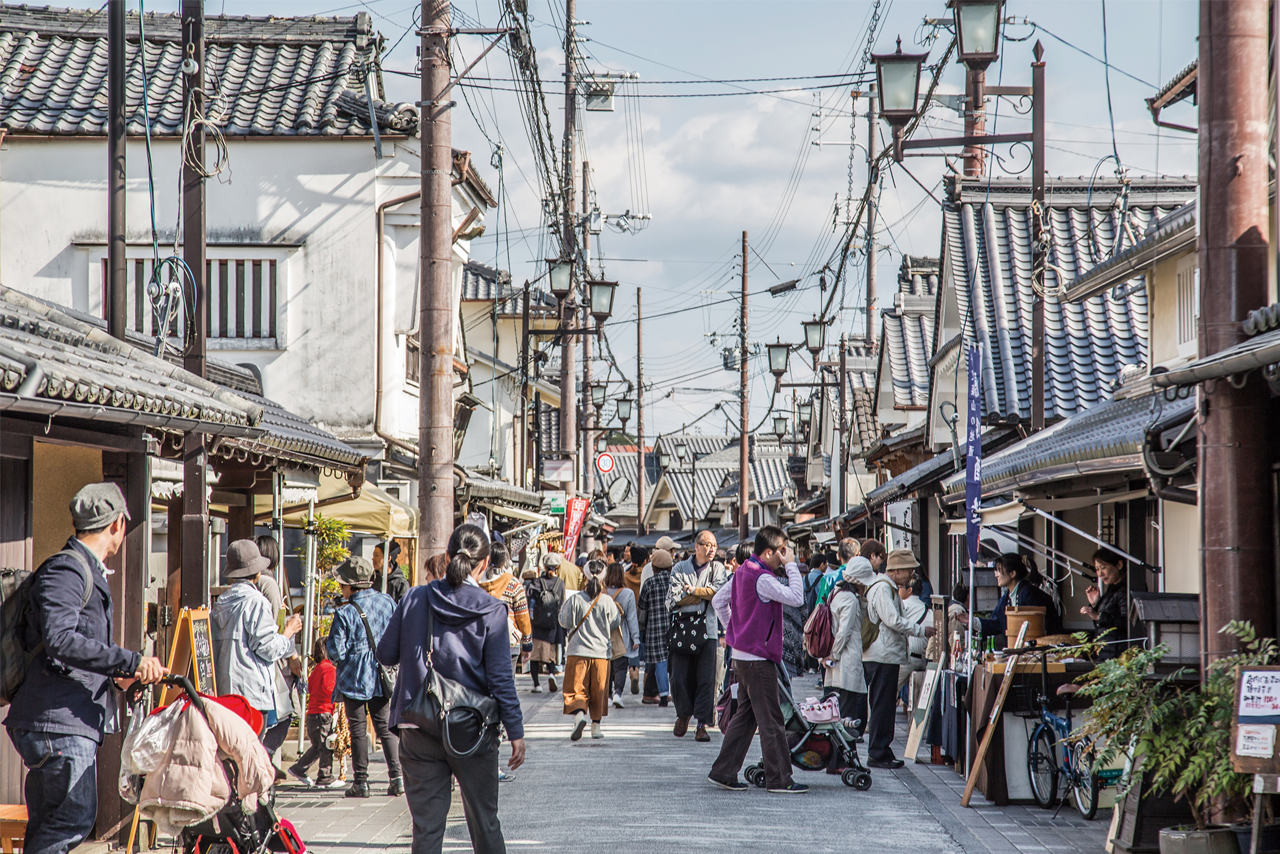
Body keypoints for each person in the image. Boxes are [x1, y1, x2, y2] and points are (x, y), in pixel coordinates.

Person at [6, 482, 168, 854]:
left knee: (53, 825)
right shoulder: (68, 569)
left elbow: (76, 645)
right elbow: (61, 639)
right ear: (118, 525)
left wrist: (120, 676)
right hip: (57, 721)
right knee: (70, 820)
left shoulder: (82, 570)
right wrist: (130, 660)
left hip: (63, 719)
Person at [376, 523, 524, 854]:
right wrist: (515, 731)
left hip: (417, 721)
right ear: (485, 564)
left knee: (426, 831)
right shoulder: (493, 610)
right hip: (473, 728)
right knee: (485, 824)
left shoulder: (415, 597)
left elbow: (385, 654)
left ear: (446, 556)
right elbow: (501, 678)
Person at [708, 525, 807, 793]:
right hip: (758, 658)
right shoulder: (762, 578)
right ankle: (779, 779)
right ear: (768, 552)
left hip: (742, 656)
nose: (784, 557)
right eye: (782, 552)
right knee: (771, 720)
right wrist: (792, 566)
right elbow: (797, 597)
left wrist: (735, 631)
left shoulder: (742, 572)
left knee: (746, 717)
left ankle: (723, 771)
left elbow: (718, 601)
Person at [211, 540, 304, 745]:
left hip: (225, 690)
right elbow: (268, 648)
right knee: (250, 750)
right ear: (257, 571)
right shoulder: (256, 601)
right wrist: (287, 632)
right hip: (251, 691)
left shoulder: (220, 603)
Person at [325, 555, 402, 798]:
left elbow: (335, 650)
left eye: (342, 584)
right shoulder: (387, 601)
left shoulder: (344, 612)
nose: (341, 588)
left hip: (354, 676)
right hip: (383, 672)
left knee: (358, 728)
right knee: (385, 726)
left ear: (351, 585)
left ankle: (361, 782)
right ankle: (398, 779)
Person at [861, 548, 935, 768]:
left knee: (883, 705)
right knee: (882, 705)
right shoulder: (883, 588)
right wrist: (921, 631)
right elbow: (893, 620)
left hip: (885, 654)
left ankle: (881, 750)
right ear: (897, 570)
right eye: (909, 570)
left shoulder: (886, 587)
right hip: (882, 655)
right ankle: (878, 752)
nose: (911, 574)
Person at [666, 530, 730, 742]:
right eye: (706, 545)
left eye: (714, 545)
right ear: (696, 547)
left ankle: (702, 724)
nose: (711, 549)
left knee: (707, 679)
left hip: (709, 630)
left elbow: (718, 593)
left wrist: (692, 590)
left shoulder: (718, 568)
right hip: (683, 628)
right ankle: (683, 715)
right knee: (679, 677)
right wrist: (701, 594)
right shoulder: (680, 567)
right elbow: (673, 599)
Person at [558, 560, 622, 740]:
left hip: (577, 651)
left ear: (584, 576)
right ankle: (596, 727)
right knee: (599, 691)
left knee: (576, 689)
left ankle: (579, 716)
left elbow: (564, 622)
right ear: (603, 577)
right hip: (601, 653)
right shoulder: (608, 601)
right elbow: (615, 623)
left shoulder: (575, 599)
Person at [252, 534, 298, 769]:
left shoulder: (250, 585)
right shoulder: (269, 583)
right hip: (272, 656)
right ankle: (266, 761)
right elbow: (276, 626)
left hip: (253, 658)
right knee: (282, 713)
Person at [956, 553, 1061, 642]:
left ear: (1012, 573)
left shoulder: (1029, 593)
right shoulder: (1006, 598)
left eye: (999, 570)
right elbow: (996, 624)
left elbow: (1037, 627)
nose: (996, 575)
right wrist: (971, 620)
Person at [823, 558, 872, 747]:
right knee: (846, 716)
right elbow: (844, 632)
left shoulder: (837, 592)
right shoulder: (850, 599)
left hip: (837, 665)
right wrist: (834, 655)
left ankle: (837, 760)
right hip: (846, 663)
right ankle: (841, 760)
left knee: (837, 715)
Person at [289, 639, 344, 789]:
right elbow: (328, 689)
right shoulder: (330, 669)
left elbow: (312, 689)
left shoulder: (318, 669)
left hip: (313, 714)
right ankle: (325, 777)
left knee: (318, 747)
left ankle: (299, 769)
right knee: (326, 746)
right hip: (323, 713)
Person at [479, 541, 533, 672]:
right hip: (508, 641)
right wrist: (527, 645)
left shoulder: (477, 581)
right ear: (504, 562)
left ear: (487, 559)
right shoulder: (513, 584)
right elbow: (523, 617)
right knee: (507, 683)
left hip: (481, 639)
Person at [1081, 548, 1138, 660]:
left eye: (1103, 567)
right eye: (1097, 569)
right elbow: (1102, 625)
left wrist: (1099, 616)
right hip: (1107, 652)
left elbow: (1129, 623)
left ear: (1119, 565)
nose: (1100, 574)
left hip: (1119, 655)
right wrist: (1095, 604)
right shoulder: (1112, 588)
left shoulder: (1127, 589)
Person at [638, 548, 674, 706]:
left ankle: (664, 695)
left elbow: (642, 607)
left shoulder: (649, 583)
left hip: (654, 628)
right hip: (675, 627)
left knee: (659, 661)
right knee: (674, 661)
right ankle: (675, 692)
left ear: (653, 568)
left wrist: (642, 629)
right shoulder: (676, 582)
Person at [526, 553, 566, 693]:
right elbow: (562, 603)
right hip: (554, 623)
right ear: (558, 567)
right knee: (552, 653)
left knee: (535, 655)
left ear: (544, 566)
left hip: (538, 623)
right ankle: (551, 674)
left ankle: (536, 685)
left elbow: (530, 598)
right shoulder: (560, 583)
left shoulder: (537, 582)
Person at [603, 562, 640, 708]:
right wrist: (635, 638)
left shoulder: (601, 592)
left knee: (606, 666)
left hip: (603, 634)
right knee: (620, 666)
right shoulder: (628, 593)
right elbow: (632, 617)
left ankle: (607, 696)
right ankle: (618, 693)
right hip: (622, 633)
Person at [896, 575, 932, 697]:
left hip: (907, 659)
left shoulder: (904, 605)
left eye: (900, 587)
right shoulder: (927, 609)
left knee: (886, 692)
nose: (898, 589)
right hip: (923, 660)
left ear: (909, 590)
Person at [816, 538, 860, 605]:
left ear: (838, 555)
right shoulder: (865, 576)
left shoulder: (828, 579)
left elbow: (820, 607)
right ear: (858, 555)